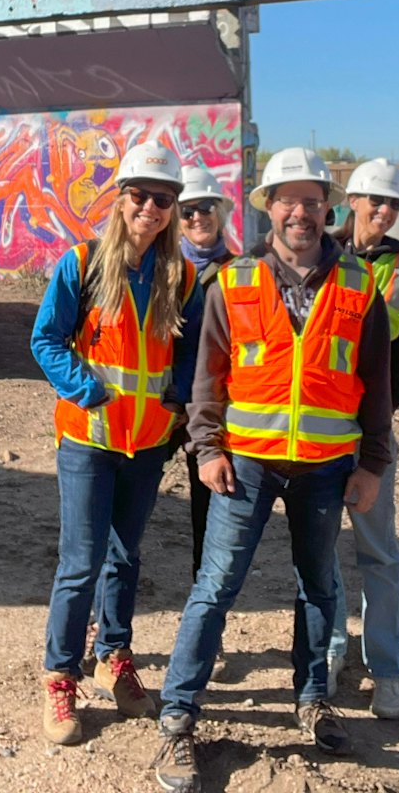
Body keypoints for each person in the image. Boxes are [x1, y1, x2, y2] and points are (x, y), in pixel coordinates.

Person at [150, 147, 392, 792]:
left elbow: (376, 385)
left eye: (312, 201)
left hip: (325, 466)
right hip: (246, 466)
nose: (300, 212)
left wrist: (372, 464)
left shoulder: (360, 287)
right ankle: (178, 717)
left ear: (327, 209)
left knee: (320, 586)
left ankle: (313, 699)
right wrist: (207, 448)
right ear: (269, 209)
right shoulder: (234, 283)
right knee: (215, 587)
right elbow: (209, 378)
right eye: (287, 200)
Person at [30, 144, 203, 746]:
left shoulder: (178, 275)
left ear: (174, 207)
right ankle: (60, 675)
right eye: (140, 195)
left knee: (125, 557)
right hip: (88, 440)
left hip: (148, 443)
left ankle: (113, 657)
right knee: (80, 563)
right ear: (121, 197)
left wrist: (176, 404)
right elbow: (46, 340)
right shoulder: (80, 263)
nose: (150, 208)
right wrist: (90, 393)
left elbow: (185, 354)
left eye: (163, 199)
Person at [326, 158, 399, 720]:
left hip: (369, 429)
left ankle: (386, 669)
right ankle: (332, 649)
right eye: (375, 201)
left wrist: (386, 414)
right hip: (318, 423)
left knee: (379, 552)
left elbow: (382, 330)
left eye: (393, 205)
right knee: (319, 551)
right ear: (354, 200)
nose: (384, 212)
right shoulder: (323, 249)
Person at [173, 164, 236, 580]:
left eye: (207, 206)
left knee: (210, 518)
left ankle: (208, 625)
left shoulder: (242, 272)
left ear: (221, 211)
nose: (199, 216)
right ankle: (108, 624)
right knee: (125, 515)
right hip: (164, 405)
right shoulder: (161, 270)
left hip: (215, 409)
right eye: (188, 209)